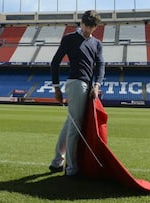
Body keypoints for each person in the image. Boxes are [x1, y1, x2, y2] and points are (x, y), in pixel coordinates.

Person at [49, 10, 105, 176]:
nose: (88, 30)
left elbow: (101, 66)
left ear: (95, 27)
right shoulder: (69, 38)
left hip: (88, 86)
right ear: (81, 23)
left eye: (92, 27)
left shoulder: (97, 43)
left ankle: (57, 162)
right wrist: (56, 87)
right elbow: (55, 63)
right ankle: (72, 169)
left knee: (69, 124)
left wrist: (96, 85)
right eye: (86, 25)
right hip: (75, 84)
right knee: (75, 127)